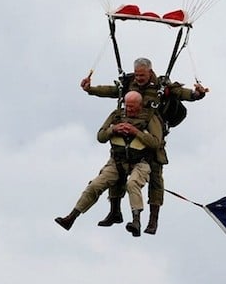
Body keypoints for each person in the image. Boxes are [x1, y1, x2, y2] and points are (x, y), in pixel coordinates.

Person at [79, 57, 208, 235]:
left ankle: (153, 221)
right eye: (137, 74)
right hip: (129, 137)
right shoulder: (129, 83)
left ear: (150, 71)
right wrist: (90, 90)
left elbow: (185, 94)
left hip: (152, 136)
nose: (138, 78)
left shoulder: (162, 86)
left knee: (155, 179)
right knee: (117, 167)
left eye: (142, 75)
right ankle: (114, 212)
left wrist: (197, 94)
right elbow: (112, 90)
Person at [55, 91, 163, 237]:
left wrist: (135, 132)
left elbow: (156, 143)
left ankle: (136, 221)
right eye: (127, 106)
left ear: (140, 105)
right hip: (117, 161)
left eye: (133, 107)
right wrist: (114, 129)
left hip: (141, 162)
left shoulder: (150, 118)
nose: (129, 110)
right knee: (95, 185)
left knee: (132, 184)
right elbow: (101, 136)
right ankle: (71, 217)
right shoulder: (117, 115)